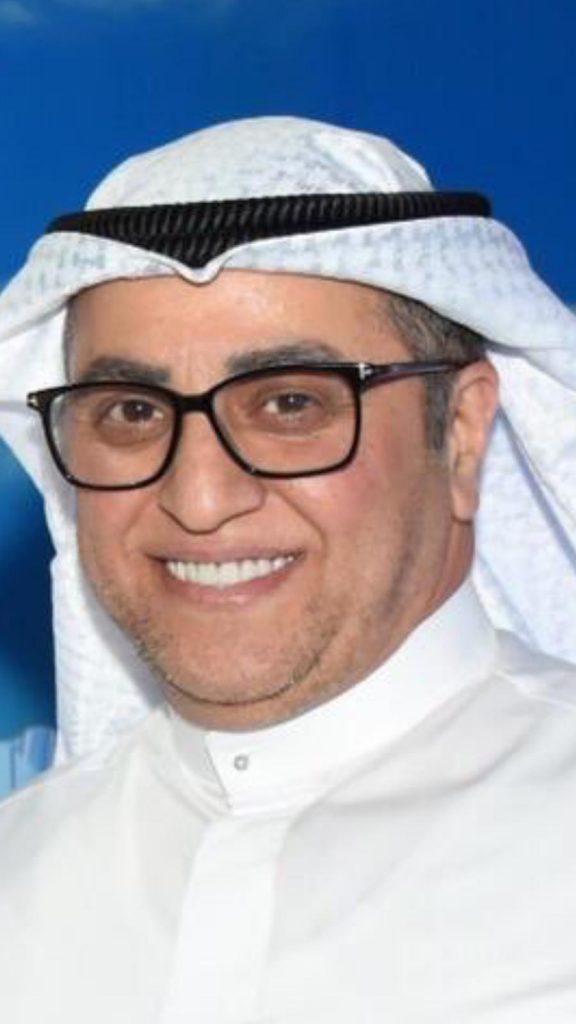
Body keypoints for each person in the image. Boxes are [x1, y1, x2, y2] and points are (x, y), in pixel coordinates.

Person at [0, 116, 575, 1022]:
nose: (199, 499)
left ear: (462, 434)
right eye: (132, 412)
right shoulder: (21, 871)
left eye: (291, 403)